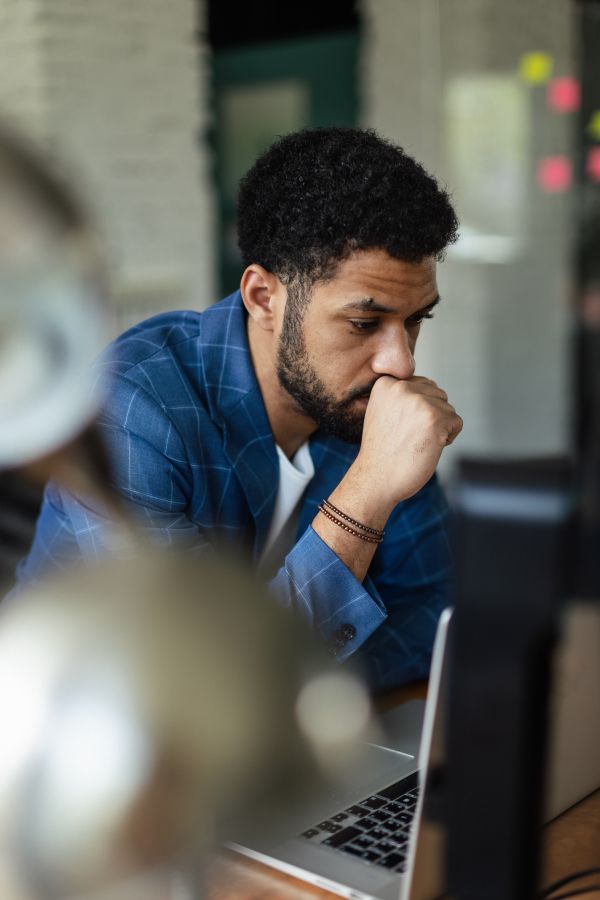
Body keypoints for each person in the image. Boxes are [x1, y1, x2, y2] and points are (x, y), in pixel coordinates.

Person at [14, 127, 462, 690]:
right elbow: (200, 679)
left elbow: (433, 613)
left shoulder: (367, 404)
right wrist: (367, 491)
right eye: (364, 324)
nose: (399, 362)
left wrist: (305, 700)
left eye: (416, 319)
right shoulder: (132, 408)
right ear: (262, 298)